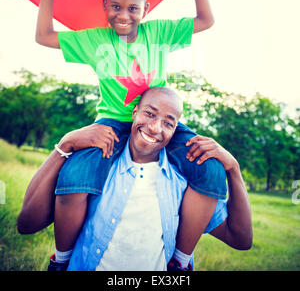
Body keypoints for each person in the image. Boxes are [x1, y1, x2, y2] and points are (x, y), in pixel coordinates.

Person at [33, 0, 227, 269]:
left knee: (210, 170)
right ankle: (62, 258)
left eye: (133, 8)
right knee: (77, 173)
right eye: (116, 7)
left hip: (158, 122)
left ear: (146, 10)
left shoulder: (160, 33)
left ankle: (180, 259)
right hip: (113, 123)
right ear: (105, 6)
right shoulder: (95, 40)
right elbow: (43, 37)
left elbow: (206, 21)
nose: (123, 15)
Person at [17, 87, 252, 271]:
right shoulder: (95, 168)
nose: (154, 127)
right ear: (134, 113)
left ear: (175, 131)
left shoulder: (183, 184)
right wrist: (66, 143)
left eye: (168, 123)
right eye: (149, 114)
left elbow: (240, 239)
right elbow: (27, 224)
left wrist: (234, 170)